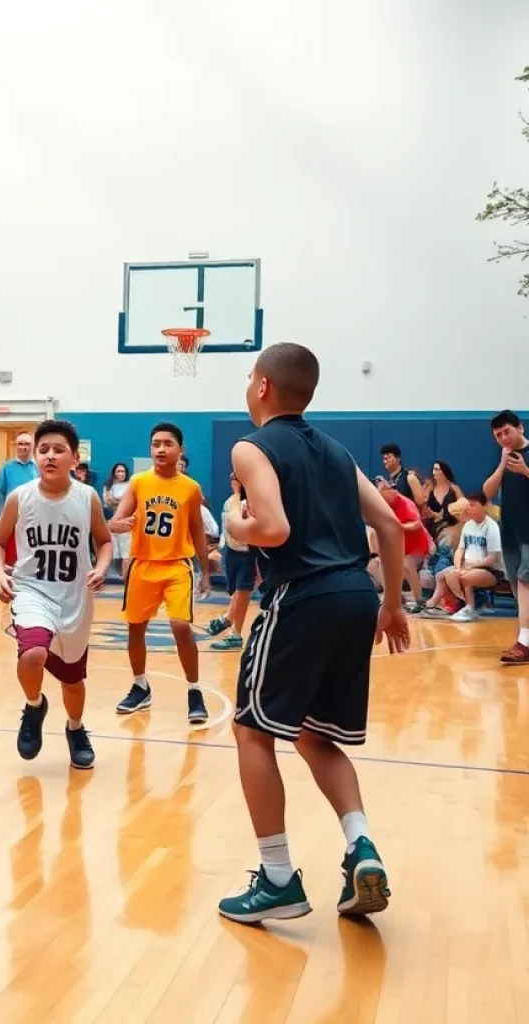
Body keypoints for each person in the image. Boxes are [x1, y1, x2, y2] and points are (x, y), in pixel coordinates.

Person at [215, 343, 408, 924]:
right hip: (356, 596)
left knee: (251, 731)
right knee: (315, 736)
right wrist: (394, 604)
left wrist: (233, 522)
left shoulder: (251, 447)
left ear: (264, 387)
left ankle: (277, 879)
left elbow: (272, 528)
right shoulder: (335, 450)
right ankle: (360, 847)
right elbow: (392, 527)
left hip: (301, 595)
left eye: (251, 376)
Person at [0, 419, 112, 768]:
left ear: (75, 458)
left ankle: (75, 727)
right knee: (32, 654)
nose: (50, 456)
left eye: (59, 450)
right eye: (44, 450)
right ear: (35, 457)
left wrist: (101, 568)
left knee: (73, 681)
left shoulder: (87, 497)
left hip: (75, 598)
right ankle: (34, 705)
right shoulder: (19, 497)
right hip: (32, 591)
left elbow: (103, 542)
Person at [109, 423, 211, 724]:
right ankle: (141, 686)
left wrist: (205, 571)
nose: (160, 449)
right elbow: (117, 519)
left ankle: (194, 690)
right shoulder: (139, 482)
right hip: (143, 565)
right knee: (135, 628)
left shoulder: (190, 488)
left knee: (180, 625)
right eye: (155, 444)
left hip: (177, 565)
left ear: (181, 450)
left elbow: (197, 530)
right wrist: (115, 525)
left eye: (167, 443)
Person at [484, 410, 529, 664]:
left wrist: (525, 470)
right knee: (516, 583)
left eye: (507, 432)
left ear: (520, 428)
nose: (503, 438)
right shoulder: (503, 458)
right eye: (498, 435)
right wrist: (503, 464)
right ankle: (526, 636)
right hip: (510, 531)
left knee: (525, 581)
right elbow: (488, 492)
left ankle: (524, 644)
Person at [207, 472, 259, 650]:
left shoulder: (250, 500)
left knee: (242, 589)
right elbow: (226, 526)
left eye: (235, 479)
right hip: (231, 550)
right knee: (235, 590)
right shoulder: (230, 500)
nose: (232, 482)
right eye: (231, 478)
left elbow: (248, 525)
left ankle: (235, 633)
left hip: (247, 551)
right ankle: (228, 618)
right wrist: (220, 546)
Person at [434, 490, 503, 621]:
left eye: (474, 505)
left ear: (484, 506)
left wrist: (472, 566)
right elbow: (460, 550)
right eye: (469, 505)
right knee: (442, 576)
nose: (470, 508)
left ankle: (470, 607)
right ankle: (452, 604)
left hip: (490, 570)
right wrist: (457, 567)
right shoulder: (468, 526)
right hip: (467, 567)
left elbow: (492, 558)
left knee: (465, 578)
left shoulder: (491, 527)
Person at [370, 480, 432, 610]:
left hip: (418, 549)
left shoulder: (405, 503)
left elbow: (416, 524)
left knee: (406, 562)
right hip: (398, 549)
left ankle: (419, 600)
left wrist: (400, 527)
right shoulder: (380, 505)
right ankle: (395, 597)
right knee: (373, 564)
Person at [0, 432, 38, 566]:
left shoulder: (39, 466)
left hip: (35, 516)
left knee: (34, 553)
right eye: (21, 443)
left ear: (33, 446)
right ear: (16, 446)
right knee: (12, 556)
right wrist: (1, 516)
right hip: (12, 517)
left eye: (27, 444)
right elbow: (0, 492)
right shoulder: (7, 467)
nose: (24, 447)